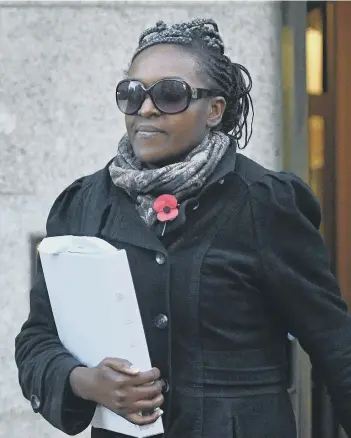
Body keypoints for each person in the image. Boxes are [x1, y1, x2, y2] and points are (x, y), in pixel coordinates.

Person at [14, 18, 351, 438]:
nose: (147, 108)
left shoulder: (264, 204)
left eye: (170, 94)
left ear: (214, 109)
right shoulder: (84, 205)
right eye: (132, 93)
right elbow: (37, 338)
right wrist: (85, 382)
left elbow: (336, 346)